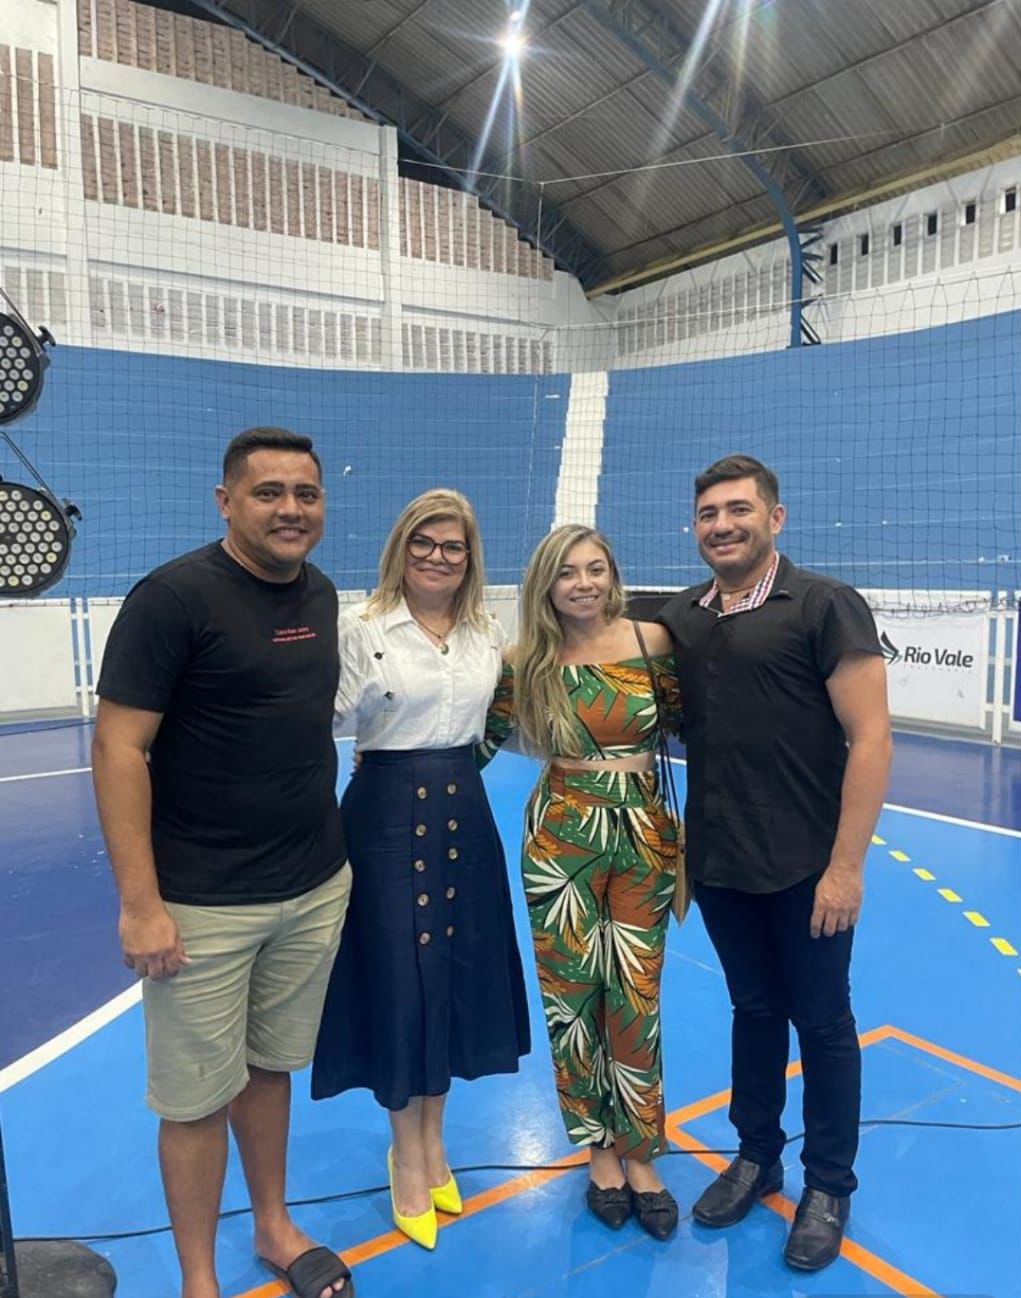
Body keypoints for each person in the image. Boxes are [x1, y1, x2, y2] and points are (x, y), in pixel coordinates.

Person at [92, 427, 353, 1298]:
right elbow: (119, 748)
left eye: (305, 493)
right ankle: (199, 1281)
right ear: (226, 501)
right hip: (202, 903)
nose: (290, 509)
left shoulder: (319, 594)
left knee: (269, 1068)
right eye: (268, 492)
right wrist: (141, 904)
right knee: (196, 1099)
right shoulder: (172, 599)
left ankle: (274, 1226)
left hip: (311, 886)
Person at [658, 454, 892, 1272]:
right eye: (708, 514)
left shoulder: (823, 605)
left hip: (806, 868)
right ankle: (756, 1156)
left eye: (737, 509)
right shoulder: (683, 616)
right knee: (752, 1011)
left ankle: (827, 1185)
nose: (721, 525)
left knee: (821, 1022)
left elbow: (871, 739)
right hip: (720, 865)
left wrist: (845, 868)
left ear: (774, 517)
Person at [311, 488, 530, 1251]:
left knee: (451, 980)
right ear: (400, 549)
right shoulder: (361, 627)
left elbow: (492, 726)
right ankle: (405, 1156)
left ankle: (434, 1144)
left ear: (470, 558)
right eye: (424, 543)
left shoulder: (484, 633)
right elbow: (326, 718)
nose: (438, 557)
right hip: (383, 818)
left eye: (452, 546)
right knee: (401, 984)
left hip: (463, 814)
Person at [480, 524, 682, 1241]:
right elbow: (474, 745)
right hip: (560, 834)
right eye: (567, 572)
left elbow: (698, 724)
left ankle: (641, 1151)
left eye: (595, 569)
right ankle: (599, 1149)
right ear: (547, 584)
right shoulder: (525, 661)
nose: (584, 583)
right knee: (572, 1000)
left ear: (613, 575)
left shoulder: (653, 643)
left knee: (635, 994)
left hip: (644, 835)